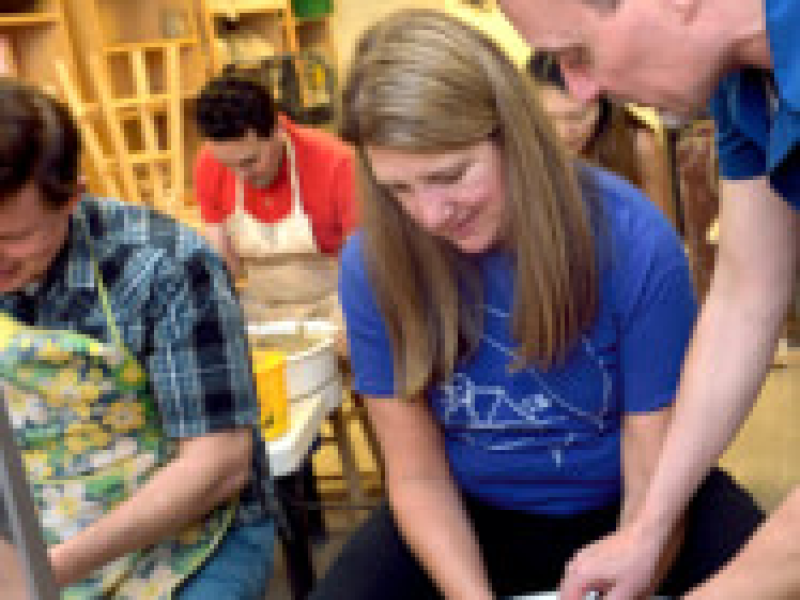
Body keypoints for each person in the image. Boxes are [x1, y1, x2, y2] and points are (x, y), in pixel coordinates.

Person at [308, 10, 762, 600]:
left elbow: (654, 461)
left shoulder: (633, 239)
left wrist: (635, 561)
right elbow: (416, 475)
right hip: (470, 508)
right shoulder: (374, 264)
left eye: (452, 175)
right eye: (398, 189)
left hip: (631, 494)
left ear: (514, 137)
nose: (429, 214)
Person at [495, 0, 800, 598]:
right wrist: (647, 528)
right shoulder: (743, 88)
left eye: (577, 55)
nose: (582, 92)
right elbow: (744, 296)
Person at [0, 79, 275, 599]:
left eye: (12, 238)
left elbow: (217, 465)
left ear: (72, 198)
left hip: (187, 535)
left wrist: (44, 573)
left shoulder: (166, 266)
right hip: (37, 529)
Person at [194, 73, 358, 324]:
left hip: (334, 306)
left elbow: (366, 270)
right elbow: (225, 267)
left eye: (249, 161)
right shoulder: (208, 163)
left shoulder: (337, 163)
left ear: (278, 130)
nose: (240, 175)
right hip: (262, 312)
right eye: (228, 165)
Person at [527, 51, 675, 226]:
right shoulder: (519, 147)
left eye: (577, 117)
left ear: (602, 104)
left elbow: (663, 233)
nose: (563, 132)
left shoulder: (637, 145)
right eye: (547, 119)